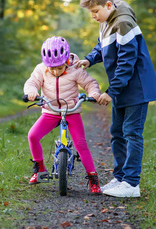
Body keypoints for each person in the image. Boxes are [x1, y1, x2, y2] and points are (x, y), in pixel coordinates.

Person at [74, 0, 156, 198]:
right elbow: (102, 45)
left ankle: (131, 184)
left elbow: (126, 62)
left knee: (131, 133)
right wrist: (89, 59)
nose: (93, 16)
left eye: (95, 11)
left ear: (109, 4)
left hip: (136, 88)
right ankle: (120, 177)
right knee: (117, 132)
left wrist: (111, 91)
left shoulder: (123, 23)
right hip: (122, 88)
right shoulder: (107, 19)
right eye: (91, 12)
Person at [24, 36, 102, 194]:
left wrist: (93, 94)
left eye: (59, 68)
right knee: (32, 135)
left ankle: (93, 179)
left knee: (81, 144)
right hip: (51, 111)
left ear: (66, 60)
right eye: (51, 68)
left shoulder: (76, 69)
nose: (55, 71)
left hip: (71, 111)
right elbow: (32, 82)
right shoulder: (41, 69)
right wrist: (31, 92)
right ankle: (39, 169)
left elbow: (90, 83)